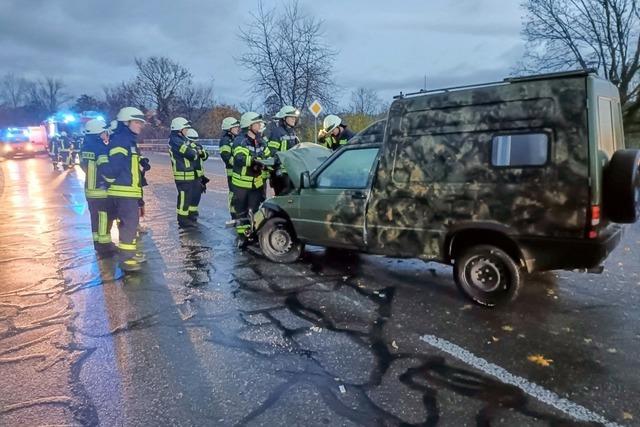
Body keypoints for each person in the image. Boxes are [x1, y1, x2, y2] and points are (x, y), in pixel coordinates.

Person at [102, 107, 147, 273]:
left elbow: (127, 164)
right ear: (126, 123)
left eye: (141, 122)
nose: (140, 125)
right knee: (129, 225)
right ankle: (127, 260)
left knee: (131, 225)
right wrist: (111, 181)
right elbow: (114, 166)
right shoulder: (122, 140)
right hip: (124, 191)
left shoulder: (127, 139)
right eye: (137, 122)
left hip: (129, 191)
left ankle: (130, 255)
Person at [232, 112, 271, 247]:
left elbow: (267, 155)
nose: (260, 125)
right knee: (242, 212)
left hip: (257, 184)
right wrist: (254, 161)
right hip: (242, 185)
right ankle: (242, 237)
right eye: (257, 123)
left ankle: (253, 235)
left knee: (255, 211)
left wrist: (271, 162)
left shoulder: (261, 140)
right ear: (249, 126)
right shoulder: (239, 141)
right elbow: (239, 158)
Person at [80, 119, 115, 256]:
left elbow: (85, 167)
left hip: (90, 189)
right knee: (103, 217)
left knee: (95, 218)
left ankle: (97, 244)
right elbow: (106, 170)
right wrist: (114, 180)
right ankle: (105, 246)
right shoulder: (100, 148)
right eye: (104, 132)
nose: (106, 134)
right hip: (101, 189)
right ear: (98, 133)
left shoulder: (85, 148)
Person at [168, 117, 199, 228]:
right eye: (185, 128)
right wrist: (194, 151)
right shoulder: (176, 141)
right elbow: (191, 154)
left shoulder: (180, 140)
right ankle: (182, 220)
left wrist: (193, 151)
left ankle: (187, 218)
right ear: (179, 129)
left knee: (187, 198)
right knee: (183, 199)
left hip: (187, 174)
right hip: (182, 175)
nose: (187, 131)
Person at [266, 106, 300, 195]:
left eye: (294, 117)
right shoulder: (277, 132)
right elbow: (272, 152)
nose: (294, 119)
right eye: (291, 117)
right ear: (284, 118)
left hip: (291, 171)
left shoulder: (292, 132)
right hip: (281, 173)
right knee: (283, 199)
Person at [219, 117, 241, 218]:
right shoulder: (225, 140)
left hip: (238, 171)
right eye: (235, 127)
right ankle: (234, 213)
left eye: (237, 126)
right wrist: (238, 163)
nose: (237, 128)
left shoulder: (236, 138)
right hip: (232, 172)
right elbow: (226, 156)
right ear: (229, 128)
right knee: (234, 193)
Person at [185, 128, 209, 218]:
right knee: (191, 195)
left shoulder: (199, 146)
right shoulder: (186, 147)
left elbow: (205, 157)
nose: (194, 142)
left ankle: (193, 212)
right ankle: (189, 213)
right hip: (190, 175)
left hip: (199, 176)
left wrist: (202, 153)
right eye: (193, 140)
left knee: (197, 195)